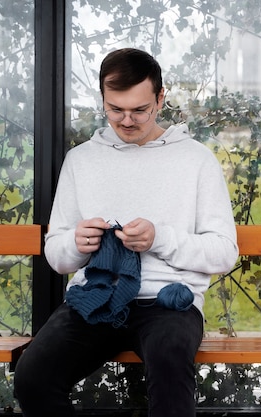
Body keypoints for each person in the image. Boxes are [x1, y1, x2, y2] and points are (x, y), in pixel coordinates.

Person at [14, 48, 239, 417]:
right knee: (32, 377)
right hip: (95, 298)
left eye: (140, 110)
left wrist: (159, 238)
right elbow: (56, 254)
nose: (127, 120)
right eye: (115, 109)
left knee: (169, 363)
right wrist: (76, 243)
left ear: (160, 98)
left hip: (168, 302)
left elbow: (224, 252)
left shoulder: (196, 160)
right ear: (103, 99)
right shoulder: (81, 160)